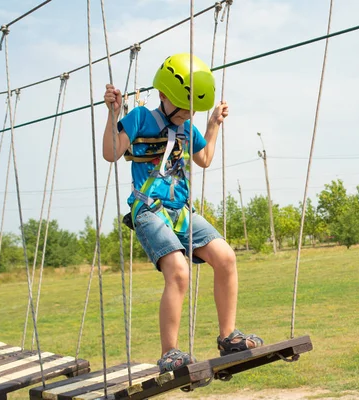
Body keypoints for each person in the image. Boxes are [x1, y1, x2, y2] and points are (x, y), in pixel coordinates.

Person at [102, 53, 263, 373]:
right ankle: (170, 352)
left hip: (180, 211)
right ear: (163, 95)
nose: (188, 113)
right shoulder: (138, 119)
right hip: (148, 209)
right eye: (184, 107)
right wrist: (113, 114)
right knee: (178, 270)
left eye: (193, 110)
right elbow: (111, 153)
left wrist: (212, 123)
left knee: (226, 258)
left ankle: (228, 337)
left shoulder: (188, 127)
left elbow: (204, 158)